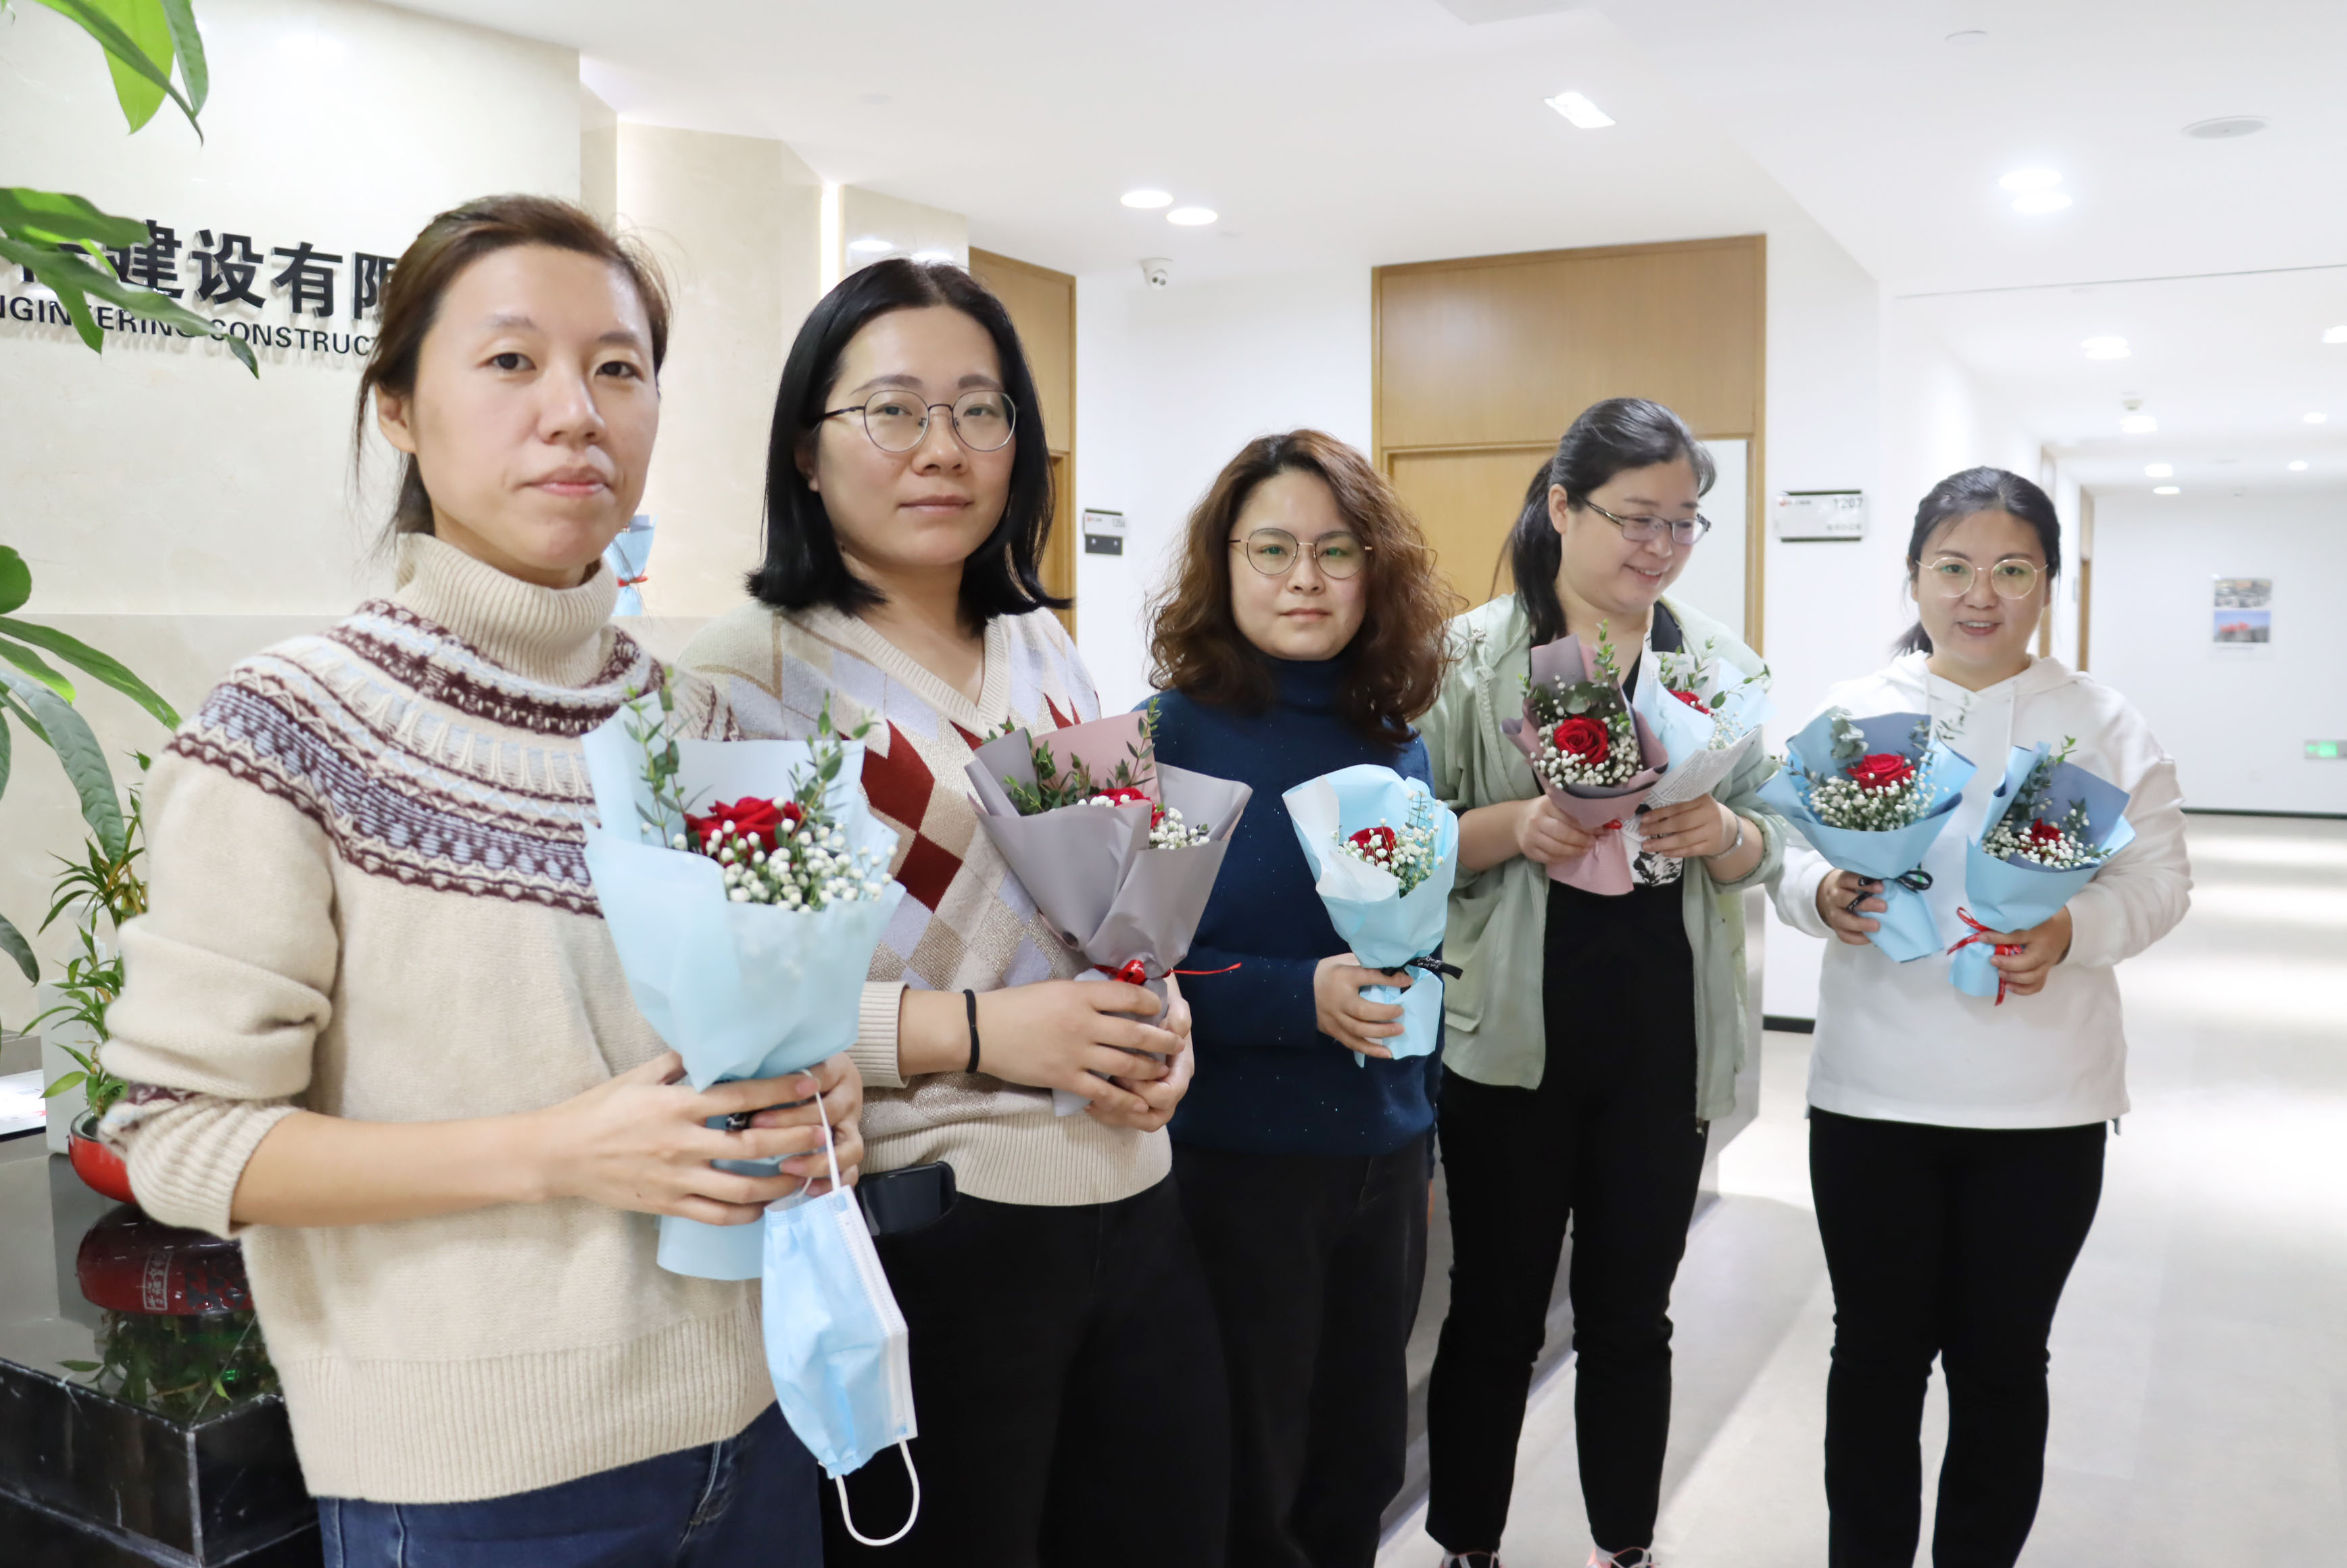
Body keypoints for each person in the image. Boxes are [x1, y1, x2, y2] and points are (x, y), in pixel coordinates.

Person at [97, 195, 854, 1566]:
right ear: (397, 407)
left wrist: (818, 1099)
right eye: (511, 361)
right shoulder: (290, 726)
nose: (576, 413)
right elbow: (183, 1138)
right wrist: (559, 1152)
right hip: (477, 1487)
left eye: (619, 369)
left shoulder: (704, 725)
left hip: (761, 1424)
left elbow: (747, 1036)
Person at [680, 258, 1226, 1567]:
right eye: (893, 409)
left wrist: (1159, 1024)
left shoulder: (1042, 643)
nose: (944, 448)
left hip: (1135, 1197)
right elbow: (737, 1017)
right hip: (932, 1233)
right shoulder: (744, 683)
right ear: (806, 449)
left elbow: (1108, 906)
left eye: (981, 411)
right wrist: (984, 1031)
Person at [1770, 467, 2189, 1568]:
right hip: (1873, 1093)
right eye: (1953, 568)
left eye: (2012, 570)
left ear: (2048, 582)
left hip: (2044, 1106)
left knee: (2003, 1365)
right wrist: (1822, 893)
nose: (1980, 595)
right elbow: (1787, 858)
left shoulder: (2101, 725)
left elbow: (2161, 882)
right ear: (1913, 575)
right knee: (1875, 1359)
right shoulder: (1856, 714)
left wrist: (2073, 930)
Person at [1418, 397, 1783, 1568]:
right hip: (1509, 1036)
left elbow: (1773, 839)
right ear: (1562, 508)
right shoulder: (1467, 658)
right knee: (1495, 1314)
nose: (1661, 547)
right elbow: (1400, 840)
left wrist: (1727, 831)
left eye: (1684, 523)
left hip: (1664, 1037)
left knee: (1633, 1317)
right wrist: (1510, 827)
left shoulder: (1717, 664)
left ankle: (1625, 1544)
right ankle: (1467, 1543)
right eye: (1637, 517)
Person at [1143, 431, 1461, 1567]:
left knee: (1361, 1463)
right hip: (1236, 1164)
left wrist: (1420, 1127)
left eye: (1336, 551)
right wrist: (1296, 998)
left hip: (1383, 1158)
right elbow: (1136, 965)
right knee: (1251, 1476)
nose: (1304, 579)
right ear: (1224, 564)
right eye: (1271, 549)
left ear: (1375, 570)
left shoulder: (1395, 737)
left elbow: (1414, 942)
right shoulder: (1171, 737)